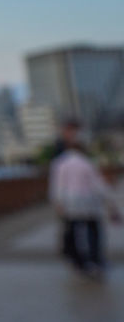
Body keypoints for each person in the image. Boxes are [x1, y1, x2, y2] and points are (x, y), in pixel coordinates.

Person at [49, 119, 121, 280]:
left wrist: (58, 203)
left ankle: (80, 262)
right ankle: (95, 260)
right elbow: (98, 185)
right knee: (93, 231)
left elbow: (58, 186)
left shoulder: (60, 163)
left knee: (74, 232)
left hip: (70, 204)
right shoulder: (86, 163)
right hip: (89, 204)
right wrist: (111, 203)